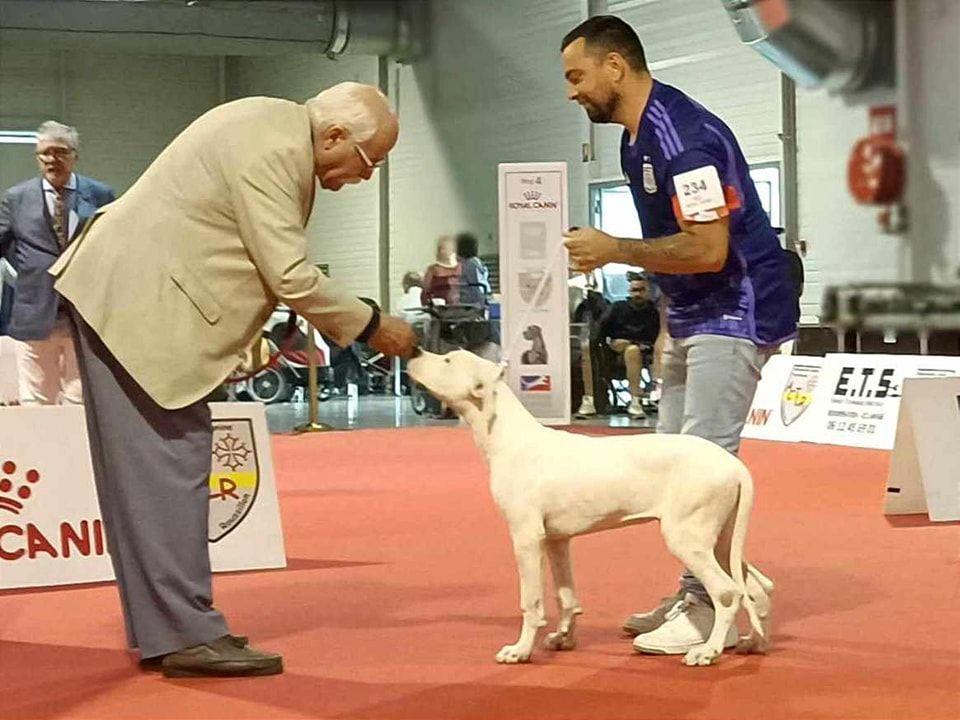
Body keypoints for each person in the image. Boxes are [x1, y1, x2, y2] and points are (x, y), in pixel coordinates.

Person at [49, 82, 417, 678]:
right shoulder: (277, 150)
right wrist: (375, 324)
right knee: (170, 469)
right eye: (370, 162)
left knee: (143, 484)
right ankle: (187, 633)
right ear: (334, 137)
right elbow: (291, 276)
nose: (367, 177)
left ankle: (166, 630)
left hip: (124, 296)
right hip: (139, 310)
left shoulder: (268, 126)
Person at [560, 16, 798, 656]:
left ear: (616, 66)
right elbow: (671, 251)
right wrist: (668, 326)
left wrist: (612, 249)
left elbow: (709, 247)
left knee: (701, 465)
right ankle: (731, 585)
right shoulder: (632, 142)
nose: (571, 92)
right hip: (692, 312)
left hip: (737, 307)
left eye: (577, 76)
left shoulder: (682, 138)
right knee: (670, 465)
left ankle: (702, 605)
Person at [0, 121, 115, 404]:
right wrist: (31, 268)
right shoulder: (16, 198)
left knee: (82, 402)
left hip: (85, 315)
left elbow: (114, 246)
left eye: (61, 152)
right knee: (36, 401)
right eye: (45, 153)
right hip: (34, 313)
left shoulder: (101, 195)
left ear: (75, 155)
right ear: (37, 157)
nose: (53, 159)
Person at [577, 274, 659, 418]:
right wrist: (608, 343)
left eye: (641, 290)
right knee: (587, 348)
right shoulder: (617, 308)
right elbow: (600, 329)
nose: (637, 294)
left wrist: (632, 344)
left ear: (648, 291)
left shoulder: (653, 313)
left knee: (632, 351)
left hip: (641, 352)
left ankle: (635, 402)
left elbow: (656, 341)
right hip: (612, 350)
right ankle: (588, 400)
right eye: (634, 290)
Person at [420, 235, 461, 306]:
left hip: (458, 308)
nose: (442, 252)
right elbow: (425, 293)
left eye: (444, 249)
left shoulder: (462, 267)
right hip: (441, 309)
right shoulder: (432, 270)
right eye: (440, 249)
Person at [455, 232, 491, 307]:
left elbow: (477, 286)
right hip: (473, 301)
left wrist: (483, 304)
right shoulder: (474, 262)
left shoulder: (470, 264)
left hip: (471, 303)